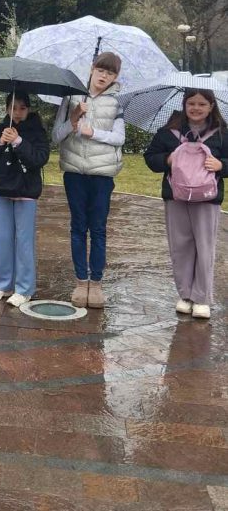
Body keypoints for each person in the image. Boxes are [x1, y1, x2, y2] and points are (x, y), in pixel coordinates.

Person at [143, 89, 228, 321]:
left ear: (211, 106)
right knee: (180, 246)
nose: (196, 108)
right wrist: (168, 159)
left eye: (202, 104)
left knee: (204, 246)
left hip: (207, 198)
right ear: (184, 104)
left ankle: (202, 297)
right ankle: (185, 295)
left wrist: (221, 165)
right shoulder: (169, 131)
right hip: (176, 196)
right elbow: (150, 158)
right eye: (191, 103)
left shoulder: (221, 133)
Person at [52, 52, 125, 309]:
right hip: (74, 172)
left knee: (98, 229)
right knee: (78, 227)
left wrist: (92, 132)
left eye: (110, 73)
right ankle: (81, 281)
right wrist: (73, 120)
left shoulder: (116, 103)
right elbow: (56, 136)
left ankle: (96, 283)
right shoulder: (72, 97)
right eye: (101, 70)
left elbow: (119, 138)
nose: (104, 76)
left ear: (115, 77)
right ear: (92, 68)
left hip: (102, 174)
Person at [0, 93, 50, 307]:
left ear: (28, 109)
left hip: (26, 191)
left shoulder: (37, 131)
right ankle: (1, 284)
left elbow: (40, 158)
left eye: (22, 108)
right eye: (13, 107)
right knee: (3, 238)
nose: (17, 112)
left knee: (24, 240)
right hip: (2, 189)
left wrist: (19, 142)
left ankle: (24, 288)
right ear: (6, 109)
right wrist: (1, 141)